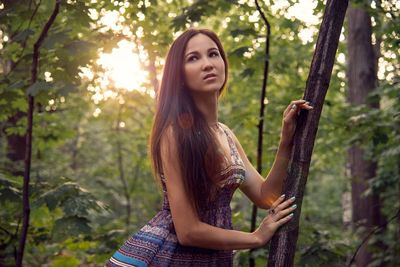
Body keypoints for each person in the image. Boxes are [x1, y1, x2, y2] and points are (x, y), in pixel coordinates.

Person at [105, 28, 313, 267]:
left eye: (213, 54)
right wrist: (255, 237)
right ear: (179, 75)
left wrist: (286, 141)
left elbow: (267, 197)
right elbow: (188, 231)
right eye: (193, 58)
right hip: (170, 257)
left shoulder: (225, 134)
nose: (207, 64)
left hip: (213, 258)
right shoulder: (175, 134)